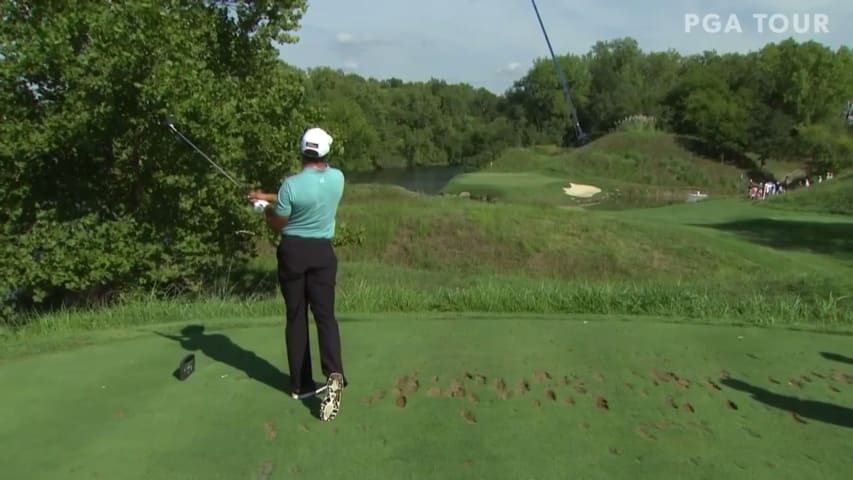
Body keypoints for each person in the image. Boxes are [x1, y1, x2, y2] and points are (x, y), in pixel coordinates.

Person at [247, 127, 347, 422]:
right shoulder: (338, 178)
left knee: (296, 316)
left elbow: (279, 220)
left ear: (301, 151)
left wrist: (262, 209)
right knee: (326, 317)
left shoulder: (291, 185)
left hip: (293, 253)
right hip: (323, 254)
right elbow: (306, 194)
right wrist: (266, 195)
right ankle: (334, 375)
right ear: (326, 151)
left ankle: (302, 385)